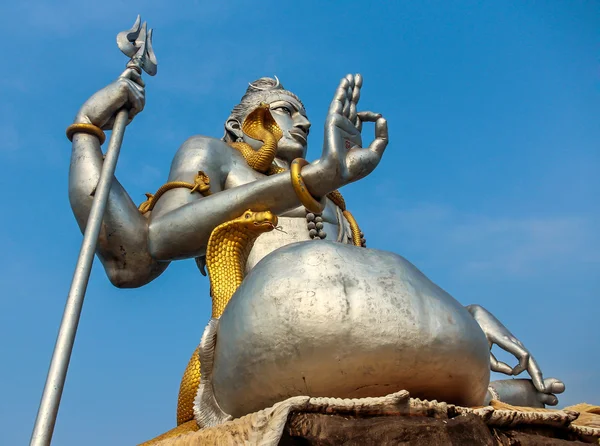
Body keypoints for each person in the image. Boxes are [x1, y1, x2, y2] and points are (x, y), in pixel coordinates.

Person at [68, 71, 564, 417]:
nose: (302, 124)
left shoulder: (331, 198)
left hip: (357, 340)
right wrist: (88, 128)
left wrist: (465, 315)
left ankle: (490, 384)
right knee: (310, 274)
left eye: (305, 116)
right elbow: (147, 245)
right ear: (242, 124)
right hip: (270, 333)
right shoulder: (215, 155)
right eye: (286, 112)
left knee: (462, 342)